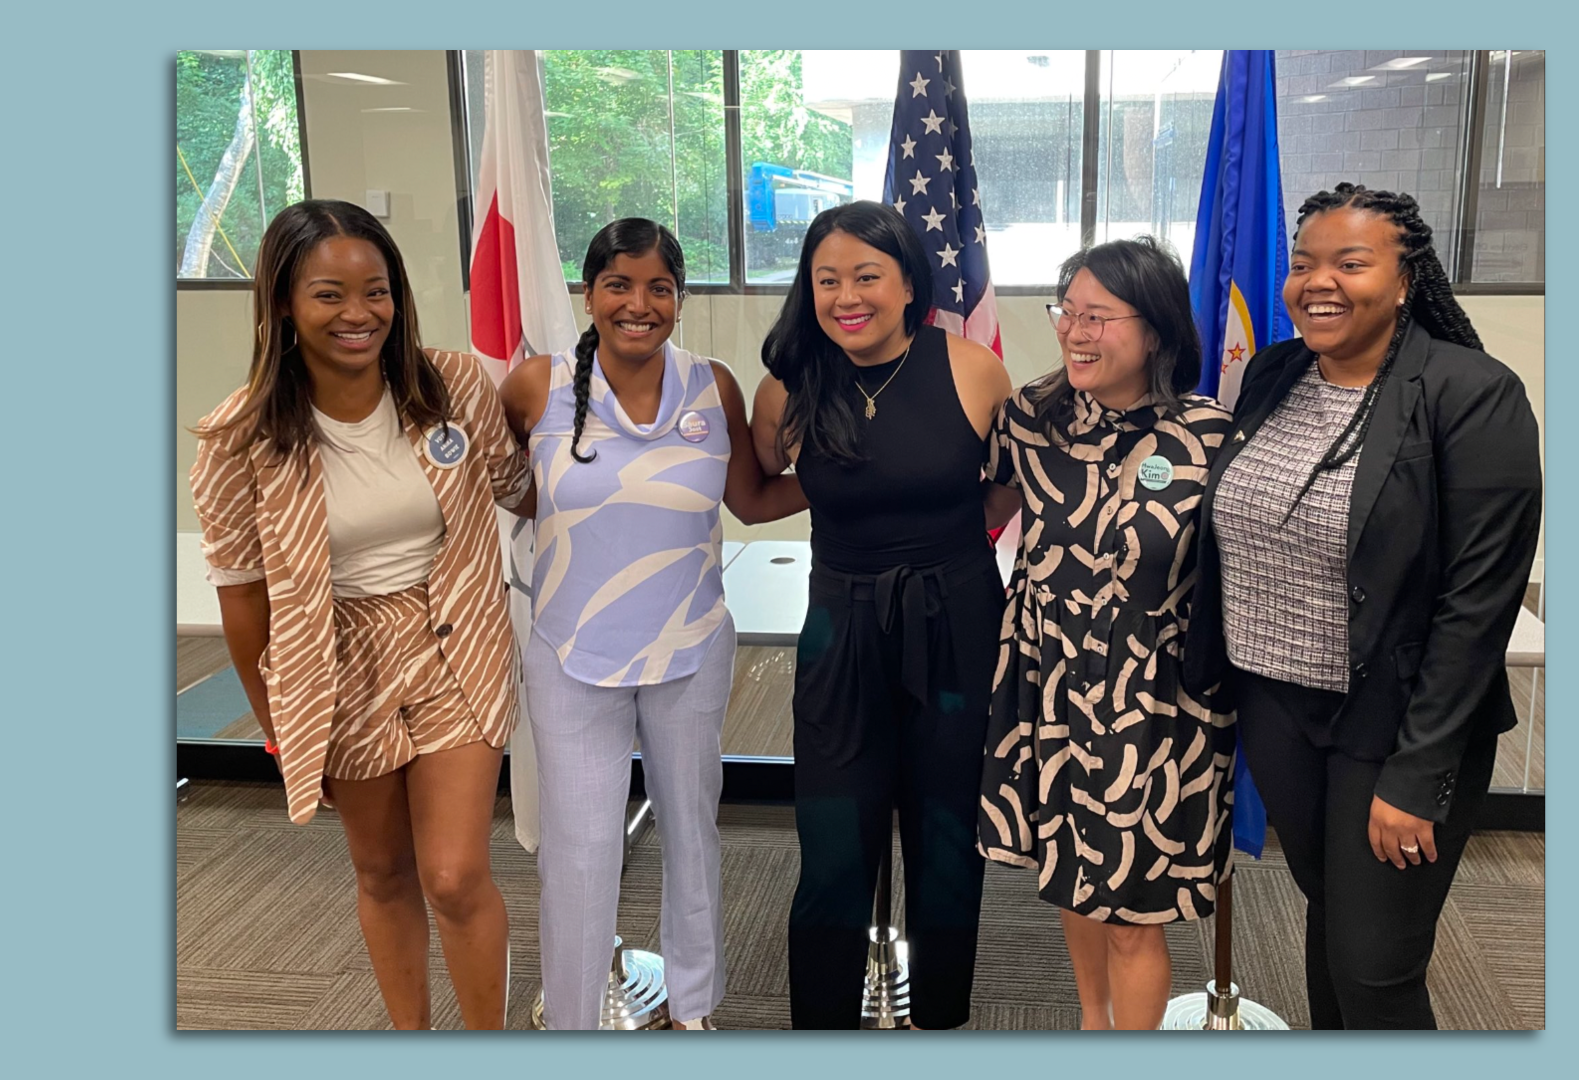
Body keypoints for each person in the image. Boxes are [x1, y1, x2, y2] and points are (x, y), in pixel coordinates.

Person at [1183, 183, 1543, 1029]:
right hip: (1278, 708)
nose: (1318, 281)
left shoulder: (1472, 392)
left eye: (1351, 262)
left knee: (1377, 966)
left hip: (1395, 725)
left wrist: (1418, 775)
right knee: (1331, 922)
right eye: (1303, 262)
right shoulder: (1276, 371)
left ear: (1407, 277)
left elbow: (1476, 607)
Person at [190, 199, 535, 1030]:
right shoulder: (237, 435)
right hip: (333, 661)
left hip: (456, 638)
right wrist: (279, 723)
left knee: (452, 873)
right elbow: (242, 599)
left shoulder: (450, 383)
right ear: (281, 302)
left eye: (375, 292)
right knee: (382, 871)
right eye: (328, 294)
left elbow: (525, 489)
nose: (358, 314)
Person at [498, 218, 806, 1031]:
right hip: (571, 654)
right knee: (580, 854)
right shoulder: (537, 386)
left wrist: (856, 479)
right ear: (588, 293)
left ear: (679, 297)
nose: (639, 304)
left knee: (692, 836)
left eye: (659, 287)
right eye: (619, 286)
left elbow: (752, 498)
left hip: (689, 647)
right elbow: (512, 491)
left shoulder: (713, 384)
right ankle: (572, 1018)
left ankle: (695, 1006)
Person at [749, 201, 1012, 1029]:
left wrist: (934, 529)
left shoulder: (972, 368)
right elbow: (762, 489)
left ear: (907, 285)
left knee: (946, 836)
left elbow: (1004, 486)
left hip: (960, 620)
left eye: (866, 276)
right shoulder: (788, 386)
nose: (845, 296)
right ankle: (821, 1031)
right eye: (827, 279)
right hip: (841, 628)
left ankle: (939, 1020)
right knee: (833, 841)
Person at [977, 237, 1235, 1030]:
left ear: (1155, 329)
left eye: (1098, 317)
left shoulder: (1211, 437)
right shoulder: (1028, 417)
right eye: (1067, 312)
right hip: (1051, 685)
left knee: (1132, 907)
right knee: (1071, 872)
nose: (1074, 332)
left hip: (1156, 706)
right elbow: (980, 524)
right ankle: (1093, 1025)